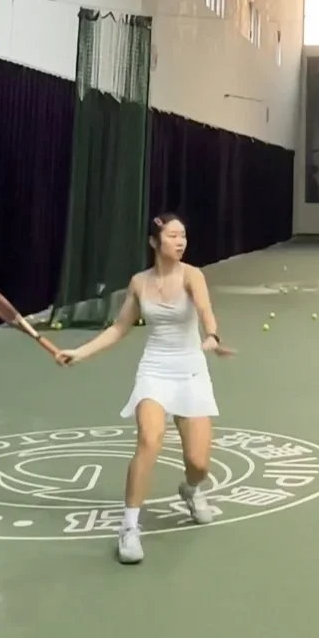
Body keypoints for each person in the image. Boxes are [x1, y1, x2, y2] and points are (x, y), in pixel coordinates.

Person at [56, 213, 233, 565]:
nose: (180, 242)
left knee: (198, 463)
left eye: (183, 236)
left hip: (191, 370)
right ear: (154, 242)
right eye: (172, 236)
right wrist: (80, 353)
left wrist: (212, 336)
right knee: (149, 440)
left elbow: (205, 311)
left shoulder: (192, 275)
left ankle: (191, 489)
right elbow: (119, 328)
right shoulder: (139, 282)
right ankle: (129, 528)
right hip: (155, 369)